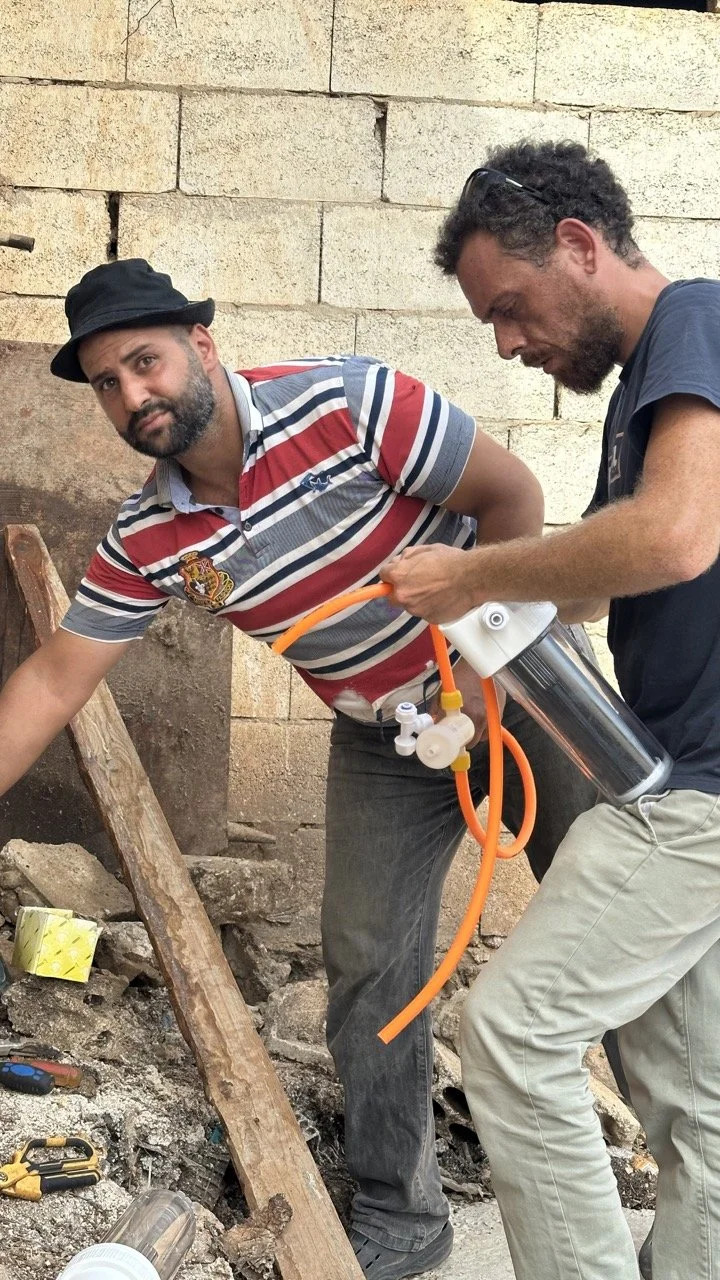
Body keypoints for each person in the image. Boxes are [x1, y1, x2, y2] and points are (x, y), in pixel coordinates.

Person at [0, 257, 598, 1280]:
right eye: (108, 382)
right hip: (386, 738)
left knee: (622, 917)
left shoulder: (351, 402)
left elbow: (515, 495)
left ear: (204, 345)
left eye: (146, 362)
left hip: (517, 681)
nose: (134, 395)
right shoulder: (155, 535)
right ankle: (402, 1217)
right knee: (368, 961)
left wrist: (473, 656)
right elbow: (57, 678)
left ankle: (695, 1166)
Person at [381, 139, 720, 1280]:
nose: (509, 343)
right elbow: (591, 574)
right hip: (674, 769)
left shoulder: (698, 323)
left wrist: (472, 578)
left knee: (516, 1041)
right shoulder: (646, 393)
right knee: (694, 1106)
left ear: (580, 245)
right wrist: (474, 605)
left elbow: (674, 535)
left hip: (700, 792)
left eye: (511, 309)